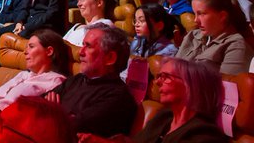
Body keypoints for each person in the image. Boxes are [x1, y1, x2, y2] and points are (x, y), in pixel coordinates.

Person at [80, 59, 228, 143]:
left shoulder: (205, 135)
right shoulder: (164, 117)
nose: (157, 82)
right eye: (158, 77)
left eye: (166, 77)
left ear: (190, 85)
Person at [51, 24, 136, 137]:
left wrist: (52, 111)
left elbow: (73, 126)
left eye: (88, 46)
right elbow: (40, 103)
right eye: (82, 45)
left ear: (110, 58)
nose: (80, 52)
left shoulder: (118, 97)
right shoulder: (78, 80)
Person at [0, 29, 70, 110]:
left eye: (31, 47)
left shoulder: (55, 82)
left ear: (49, 51)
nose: (25, 52)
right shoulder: (23, 74)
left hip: (1, 118)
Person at [176, 0, 253, 75]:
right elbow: (174, 66)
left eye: (201, 14)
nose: (195, 20)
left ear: (222, 16)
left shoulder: (235, 45)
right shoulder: (192, 36)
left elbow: (228, 81)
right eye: (195, 14)